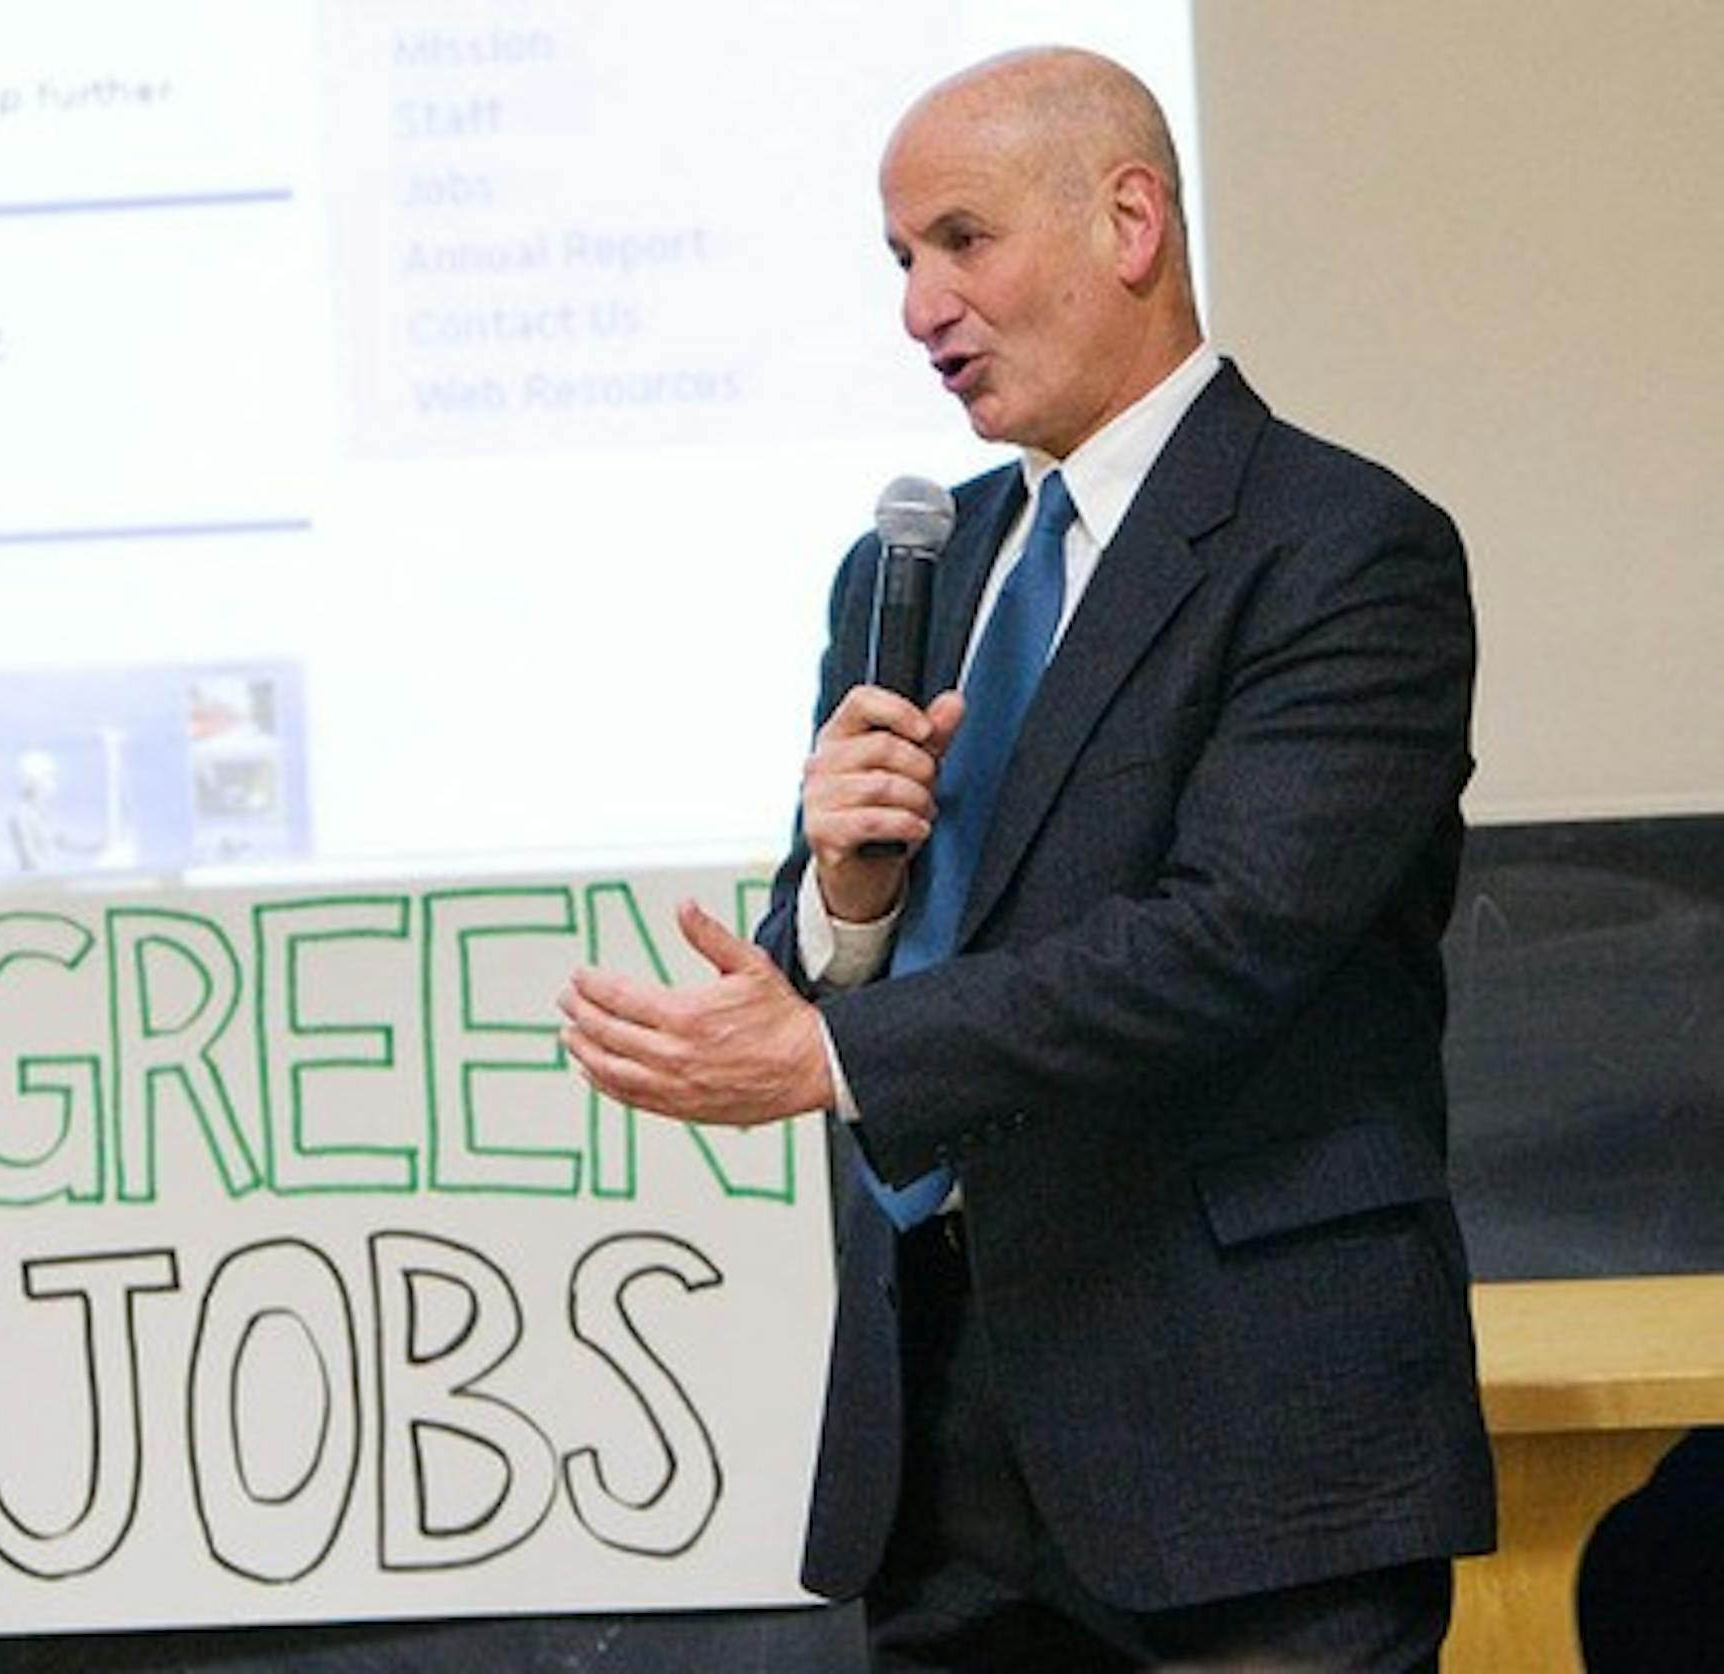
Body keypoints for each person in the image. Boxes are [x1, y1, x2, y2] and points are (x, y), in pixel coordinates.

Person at [558, 45, 1496, 1672]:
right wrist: (845, 902)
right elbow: (859, 931)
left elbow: (1226, 940)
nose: (920, 308)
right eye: (899, 259)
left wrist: (831, 1053)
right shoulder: (909, 565)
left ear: (1130, 221)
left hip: (1249, 1446)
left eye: (962, 240)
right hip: (950, 1447)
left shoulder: (1343, 548)